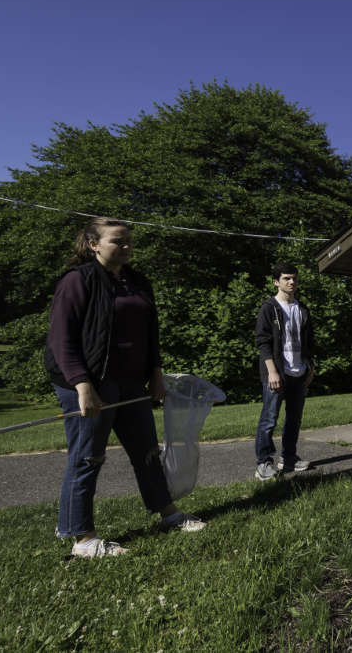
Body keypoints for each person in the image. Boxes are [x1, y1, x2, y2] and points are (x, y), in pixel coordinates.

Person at [44, 218, 205, 559]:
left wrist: (156, 373)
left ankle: (168, 514)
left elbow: (151, 333)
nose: (127, 246)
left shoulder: (137, 282)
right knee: (88, 456)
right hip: (88, 383)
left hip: (132, 382)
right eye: (118, 240)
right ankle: (83, 538)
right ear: (93, 244)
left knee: (146, 450)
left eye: (129, 240)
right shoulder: (78, 281)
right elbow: (61, 339)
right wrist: (83, 385)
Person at [253, 263, 316, 480]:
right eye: (287, 278)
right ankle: (263, 462)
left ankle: (289, 457)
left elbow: (309, 342)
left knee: (294, 418)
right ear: (276, 281)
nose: (292, 282)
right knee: (269, 418)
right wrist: (272, 371)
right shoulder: (269, 307)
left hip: (299, 371)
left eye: (295, 279)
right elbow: (262, 342)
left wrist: (310, 366)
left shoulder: (302, 308)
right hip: (277, 371)